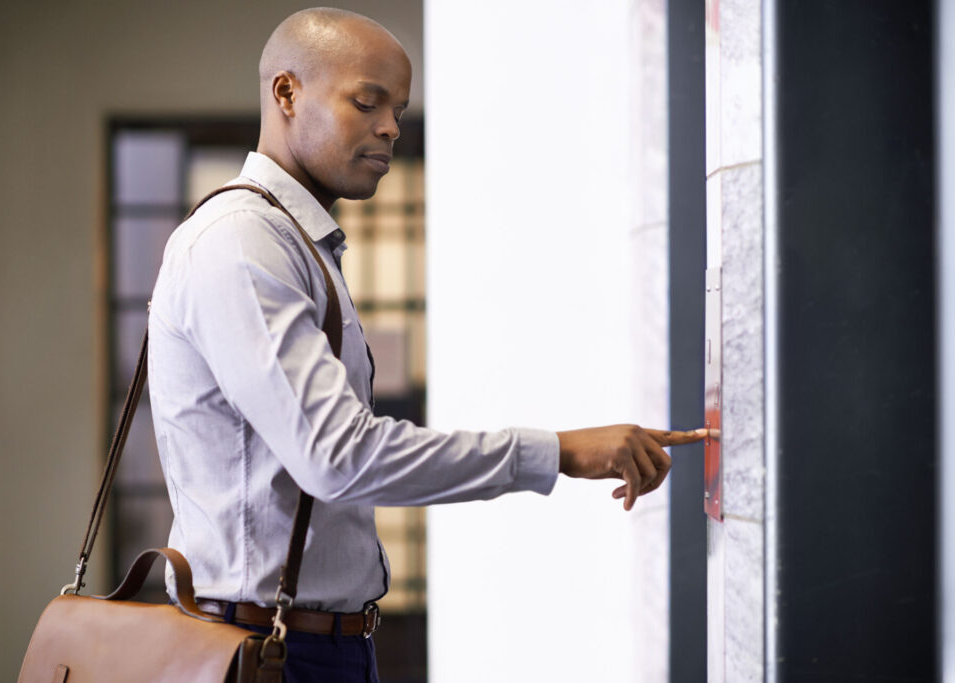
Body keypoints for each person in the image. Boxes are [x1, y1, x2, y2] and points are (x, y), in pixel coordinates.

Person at [146, 7, 706, 681]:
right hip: (266, 649)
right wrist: (556, 452)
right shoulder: (241, 244)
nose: (389, 127)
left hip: (312, 643)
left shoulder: (293, 242)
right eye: (367, 102)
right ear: (286, 93)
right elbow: (338, 454)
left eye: (399, 110)